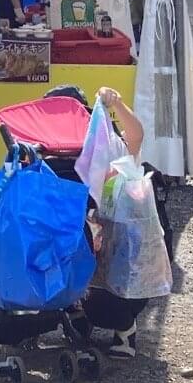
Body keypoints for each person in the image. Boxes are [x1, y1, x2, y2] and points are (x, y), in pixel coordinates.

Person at [68, 85, 152, 359]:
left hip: (119, 255)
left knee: (103, 294)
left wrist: (115, 103)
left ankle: (124, 327)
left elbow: (136, 136)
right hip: (78, 250)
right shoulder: (54, 158)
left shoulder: (108, 149)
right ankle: (78, 314)